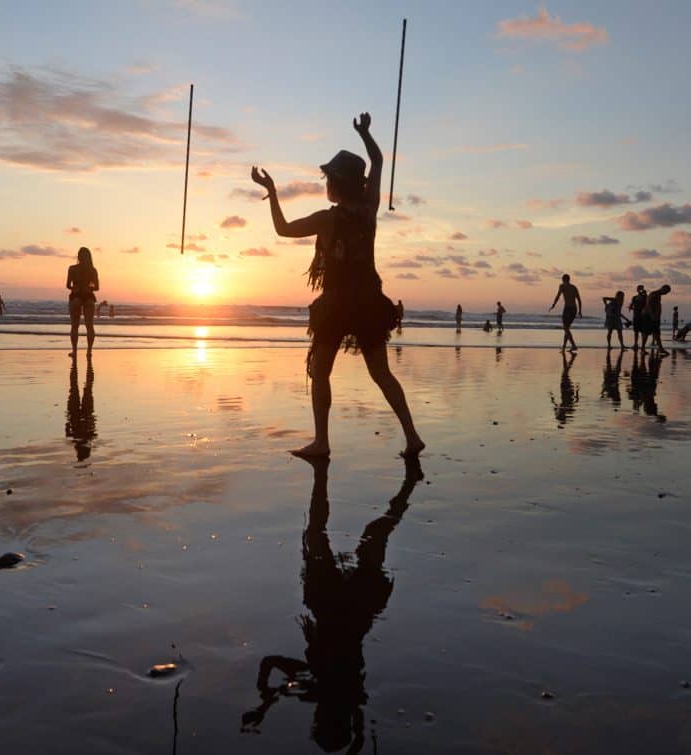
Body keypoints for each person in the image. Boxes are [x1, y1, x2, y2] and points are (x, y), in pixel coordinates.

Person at [250, 112, 424, 458]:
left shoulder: (325, 220)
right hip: (370, 301)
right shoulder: (368, 209)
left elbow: (282, 229)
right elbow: (377, 160)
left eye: (328, 178)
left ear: (336, 184)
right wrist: (365, 133)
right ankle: (411, 436)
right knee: (381, 374)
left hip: (338, 305)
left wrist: (271, 191)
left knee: (320, 371)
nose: (325, 183)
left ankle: (322, 442)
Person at [241, 456, 422, 750]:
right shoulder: (319, 690)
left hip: (346, 605)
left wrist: (266, 701)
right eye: (320, 722)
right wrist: (264, 695)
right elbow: (269, 663)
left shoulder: (335, 693)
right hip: (345, 604)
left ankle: (405, 487)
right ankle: (404, 486)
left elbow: (270, 663)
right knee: (338, 534)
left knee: (365, 535)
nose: (318, 717)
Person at [66, 246, 99, 359]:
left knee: (75, 326)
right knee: (89, 326)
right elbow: (97, 287)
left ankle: (74, 351)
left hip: (76, 296)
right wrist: (88, 287)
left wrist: (76, 287)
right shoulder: (93, 270)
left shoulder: (72, 269)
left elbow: (67, 285)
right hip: (89, 297)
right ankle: (89, 351)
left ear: (79, 257)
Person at [549, 273, 582, 352]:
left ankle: (574, 345)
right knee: (566, 329)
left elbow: (558, 296)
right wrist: (580, 311)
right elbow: (579, 300)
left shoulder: (562, 286)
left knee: (566, 328)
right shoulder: (574, 287)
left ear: (563, 280)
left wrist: (553, 304)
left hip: (568, 309)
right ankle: (564, 347)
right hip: (574, 309)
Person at [643, 284, 671, 355]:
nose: (666, 293)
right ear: (662, 288)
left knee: (657, 333)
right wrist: (652, 315)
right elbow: (648, 305)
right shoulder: (653, 294)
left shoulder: (658, 296)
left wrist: (657, 316)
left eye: (667, 292)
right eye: (666, 291)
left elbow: (657, 307)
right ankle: (643, 349)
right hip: (649, 317)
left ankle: (660, 349)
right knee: (647, 333)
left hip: (654, 317)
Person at [628, 285, 646, 350]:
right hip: (636, 316)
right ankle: (635, 344)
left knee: (643, 332)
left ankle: (643, 346)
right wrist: (630, 308)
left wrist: (645, 295)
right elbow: (632, 305)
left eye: (641, 289)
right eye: (639, 289)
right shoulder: (634, 297)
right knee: (636, 331)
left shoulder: (645, 297)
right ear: (637, 290)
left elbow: (647, 306)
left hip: (643, 317)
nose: (640, 290)